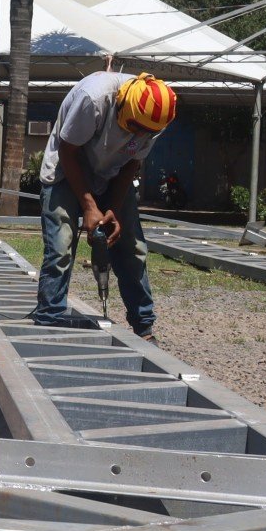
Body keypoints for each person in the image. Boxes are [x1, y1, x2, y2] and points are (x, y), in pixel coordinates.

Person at [29, 70, 177, 339]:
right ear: (122, 103)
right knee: (61, 245)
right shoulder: (95, 97)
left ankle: (144, 327)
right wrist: (88, 205)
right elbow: (67, 150)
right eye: (134, 127)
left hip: (112, 173)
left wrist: (114, 209)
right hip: (66, 169)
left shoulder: (156, 119)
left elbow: (133, 162)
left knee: (133, 248)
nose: (139, 135)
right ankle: (49, 317)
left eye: (147, 132)